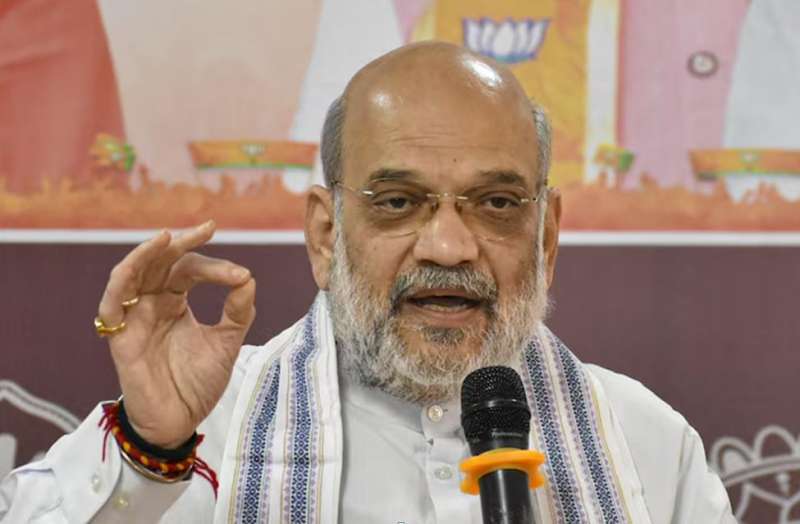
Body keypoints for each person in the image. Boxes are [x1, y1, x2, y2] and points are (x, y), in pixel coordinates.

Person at [0, 42, 734, 523]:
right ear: (326, 235)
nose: (449, 247)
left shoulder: (647, 441)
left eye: (497, 204)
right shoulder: (202, 426)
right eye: (398, 202)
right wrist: (148, 447)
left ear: (544, 237)